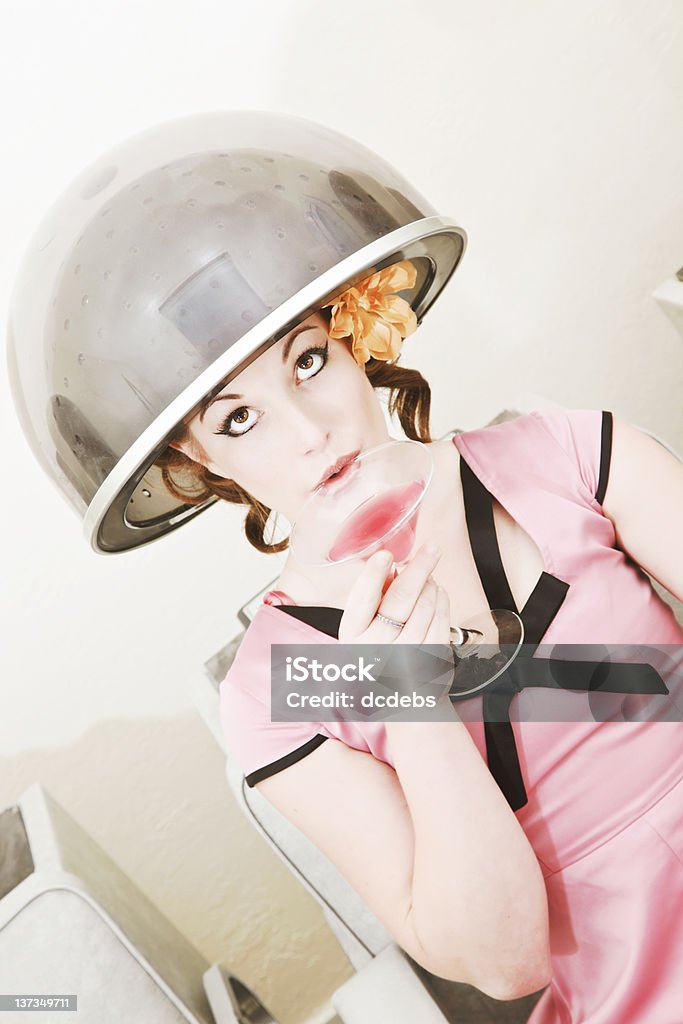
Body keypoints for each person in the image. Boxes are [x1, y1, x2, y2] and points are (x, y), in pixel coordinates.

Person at [158, 259, 683, 1022]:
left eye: (308, 361)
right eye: (238, 419)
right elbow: (506, 965)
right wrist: (412, 704)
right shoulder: (276, 689)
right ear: (198, 456)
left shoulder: (571, 457)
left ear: (352, 337)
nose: (312, 432)